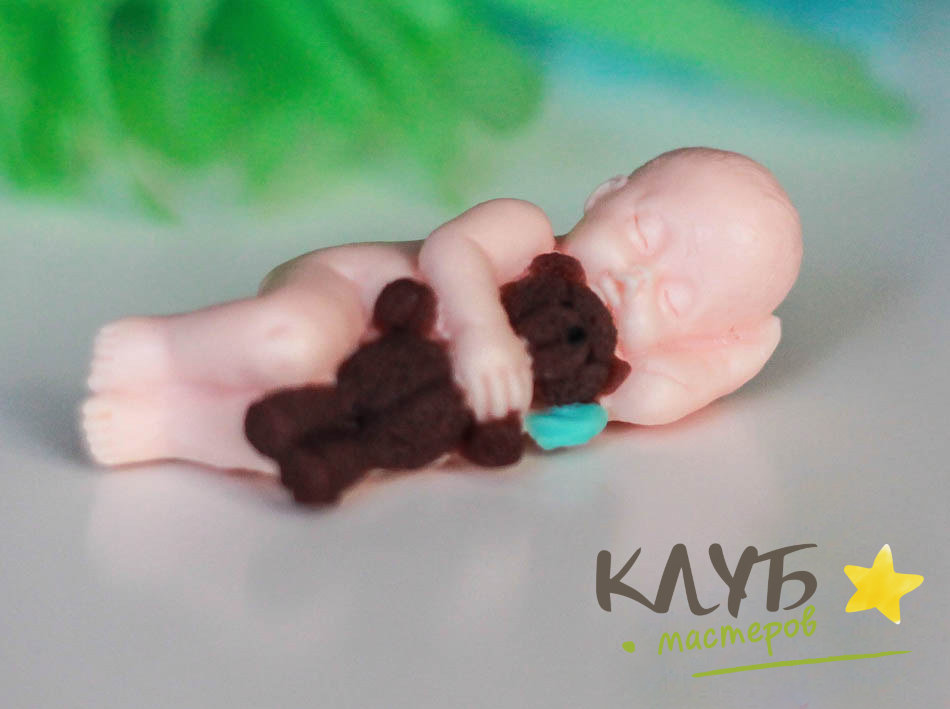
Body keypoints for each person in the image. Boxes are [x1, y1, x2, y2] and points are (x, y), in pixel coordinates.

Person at [80, 147, 802, 473]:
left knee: (305, 437)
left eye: (672, 299)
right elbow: (452, 251)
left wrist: (734, 349)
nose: (632, 280)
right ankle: (162, 350)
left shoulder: (587, 383)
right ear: (606, 193)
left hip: (381, 393)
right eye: (643, 234)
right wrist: (483, 330)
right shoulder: (526, 233)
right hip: (352, 295)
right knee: (291, 346)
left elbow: (659, 395)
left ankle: (168, 425)